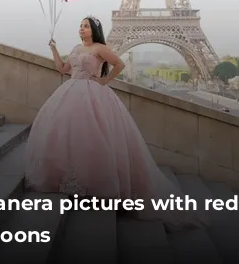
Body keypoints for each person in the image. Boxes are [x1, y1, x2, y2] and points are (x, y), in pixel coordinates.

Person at [24, 16, 203, 231]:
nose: (82, 28)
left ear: (94, 30)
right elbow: (63, 69)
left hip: (92, 96)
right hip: (71, 92)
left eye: (86, 26)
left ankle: (94, 185)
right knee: (72, 139)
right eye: (80, 25)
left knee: (93, 140)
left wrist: (105, 81)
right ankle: (73, 180)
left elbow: (119, 64)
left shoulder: (101, 48)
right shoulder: (76, 48)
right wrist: (54, 49)